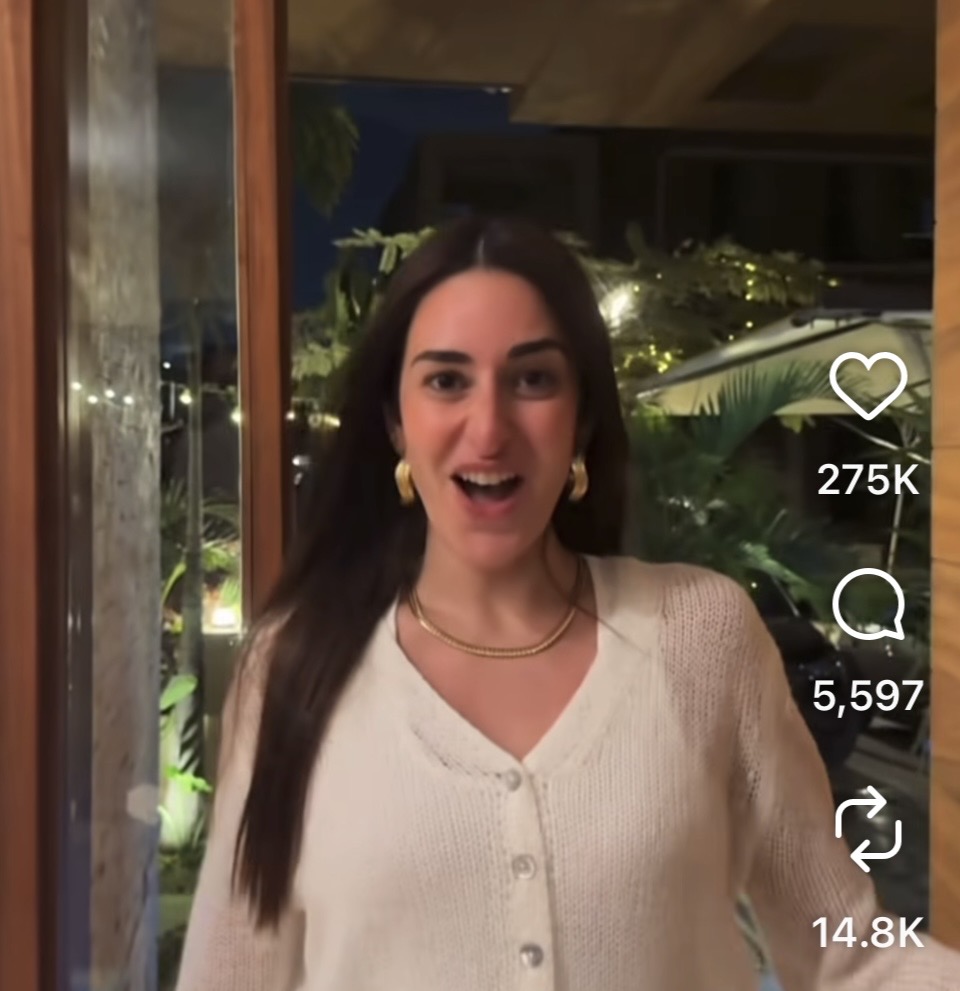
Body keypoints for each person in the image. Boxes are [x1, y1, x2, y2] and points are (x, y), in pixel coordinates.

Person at [174, 215, 960, 990]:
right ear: (395, 423)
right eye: (446, 380)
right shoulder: (296, 667)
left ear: (581, 418)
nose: (489, 429)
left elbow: (849, 954)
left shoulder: (700, 634)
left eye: (533, 380)